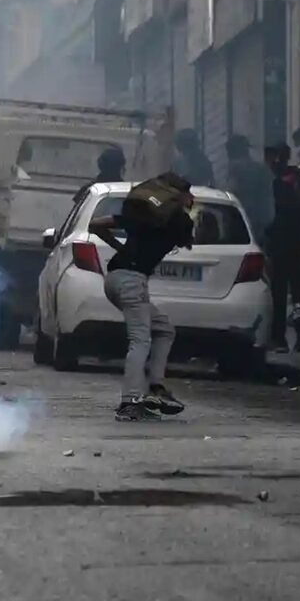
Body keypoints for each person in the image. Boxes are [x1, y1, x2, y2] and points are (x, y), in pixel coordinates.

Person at [88, 175, 194, 421]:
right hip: (132, 281)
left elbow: (95, 225)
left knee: (164, 328)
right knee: (140, 340)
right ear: (178, 196)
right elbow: (188, 240)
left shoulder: (142, 217)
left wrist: (120, 248)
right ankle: (130, 402)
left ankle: (155, 388)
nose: (193, 198)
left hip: (115, 278)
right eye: (189, 193)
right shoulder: (177, 220)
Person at [263, 143, 300, 353]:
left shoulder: (278, 183)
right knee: (299, 290)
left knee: (280, 292)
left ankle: (279, 337)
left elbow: (275, 216)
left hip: (281, 243)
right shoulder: (299, 178)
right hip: (299, 240)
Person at [226, 134, 274, 236]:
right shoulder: (262, 169)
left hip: (240, 221)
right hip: (260, 223)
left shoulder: (236, 169)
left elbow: (231, 192)